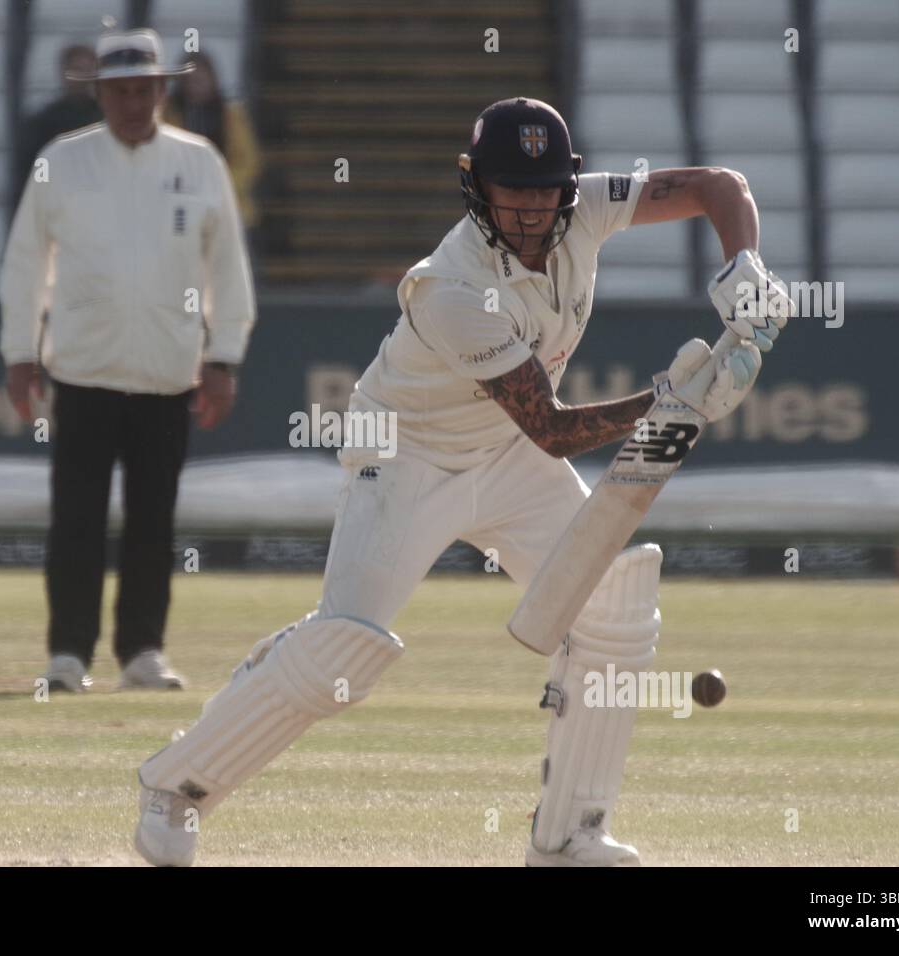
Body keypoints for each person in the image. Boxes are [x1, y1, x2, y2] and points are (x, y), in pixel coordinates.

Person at [131, 97, 791, 866]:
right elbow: (549, 428)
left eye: (546, 190)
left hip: (509, 462)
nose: (532, 209)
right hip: (408, 454)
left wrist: (746, 270)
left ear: (569, 185)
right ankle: (173, 787)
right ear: (477, 187)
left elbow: (719, 185)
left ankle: (570, 834)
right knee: (344, 654)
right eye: (514, 191)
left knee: (613, 611)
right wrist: (668, 402)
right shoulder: (452, 287)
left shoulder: (587, 210)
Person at [0, 29, 256, 693]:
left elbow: (227, 267)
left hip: (168, 372)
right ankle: (68, 655)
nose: (134, 103)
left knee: (153, 519)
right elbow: (27, 262)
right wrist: (20, 353)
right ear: (100, 95)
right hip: (83, 371)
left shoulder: (199, 162)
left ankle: (143, 650)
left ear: (163, 91)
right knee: (76, 519)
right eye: (120, 92)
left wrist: (223, 356)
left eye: (145, 90)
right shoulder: (63, 159)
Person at [163, 51, 262, 229]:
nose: (194, 88)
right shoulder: (168, 115)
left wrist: (218, 185)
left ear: (212, 80)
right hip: (180, 204)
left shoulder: (230, 115)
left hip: (226, 204)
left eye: (200, 81)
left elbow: (247, 161)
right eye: (189, 82)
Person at [12, 44, 103, 214]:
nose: (80, 77)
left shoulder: (106, 119)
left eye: (86, 70)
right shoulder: (45, 122)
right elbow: (39, 164)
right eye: (76, 70)